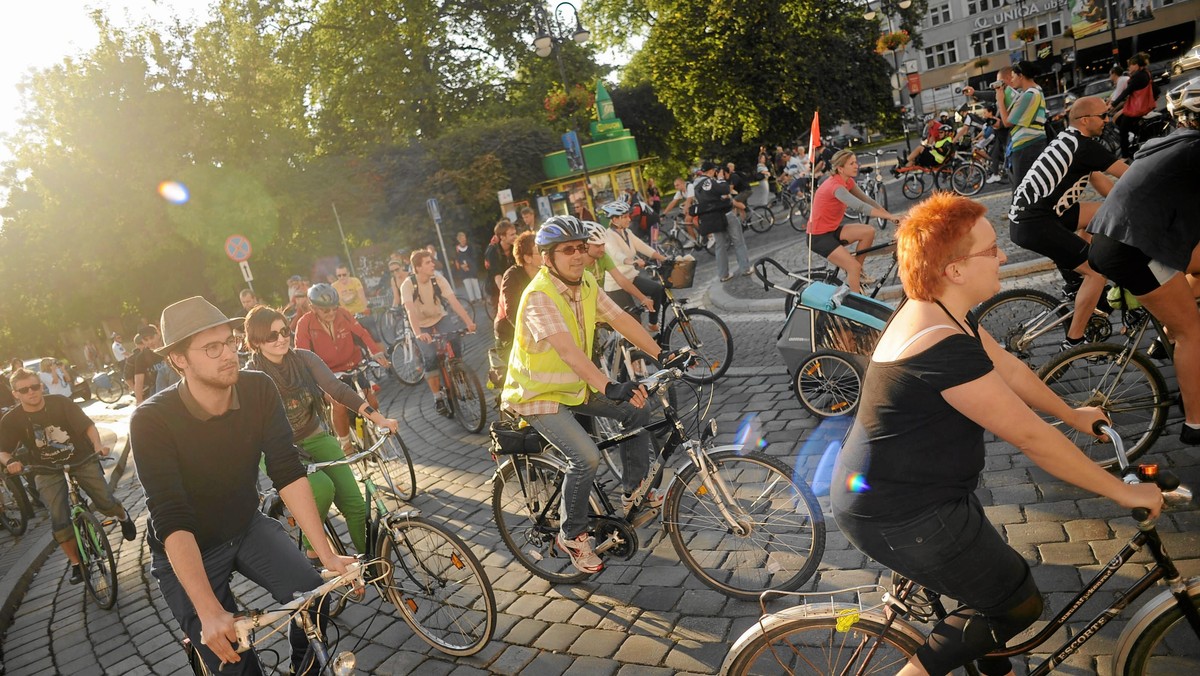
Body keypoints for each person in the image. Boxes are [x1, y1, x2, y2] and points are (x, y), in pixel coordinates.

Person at [831, 192, 1163, 676]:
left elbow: (1006, 367)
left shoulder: (942, 309)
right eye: (991, 250)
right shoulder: (937, 345)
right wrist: (1119, 491)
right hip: (900, 512)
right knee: (1016, 603)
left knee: (986, 594)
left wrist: (1070, 413)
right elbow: (1031, 439)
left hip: (916, 495)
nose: (1004, 256)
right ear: (956, 269)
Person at [129, 297, 355, 674]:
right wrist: (209, 611)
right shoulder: (151, 421)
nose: (228, 354)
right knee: (232, 657)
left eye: (230, 341)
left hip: (246, 526)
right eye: (211, 347)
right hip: (189, 550)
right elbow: (170, 515)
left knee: (311, 596)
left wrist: (327, 553)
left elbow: (287, 470)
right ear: (178, 360)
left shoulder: (258, 388)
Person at [500, 217, 671, 574]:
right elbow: (567, 351)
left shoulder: (587, 283)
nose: (578, 256)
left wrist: (661, 353)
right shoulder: (538, 296)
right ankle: (572, 533)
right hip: (537, 395)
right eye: (568, 250)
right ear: (548, 257)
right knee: (586, 457)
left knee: (638, 410)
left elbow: (621, 318)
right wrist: (609, 385)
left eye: (581, 247)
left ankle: (633, 490)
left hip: (575, 385)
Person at [1087, 83, 1200, 444]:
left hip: (1120, 239)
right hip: (1133, 248)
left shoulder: (1171, 142)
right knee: (1192, 333)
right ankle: (1196, 424)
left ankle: (1164, 339)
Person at [244, 306, 399, 561]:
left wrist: (378, 418)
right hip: (279, 451)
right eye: (272, 336)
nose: (281, 338)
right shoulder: (252, 378)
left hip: (315, 435)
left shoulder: (304, 359)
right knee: (322, 488)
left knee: (357, 506)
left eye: (284, 331)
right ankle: (313, 552)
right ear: (256, 342)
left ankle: (370, 567)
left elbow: (337, 389)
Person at [1008, 95, 1128, 350]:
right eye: (1103, 116)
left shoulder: (1067, 139)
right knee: (1096, 273)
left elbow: (1101, 182)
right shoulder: (1085, 147)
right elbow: (1130, 177)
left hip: (1033, 216)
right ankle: (1074, 342)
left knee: (1102, 213)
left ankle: (1076, 281)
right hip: (1036, 223)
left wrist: (1124, 208)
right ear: (1085, 120)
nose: (1108, 120)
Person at [2, 369, 137, 585]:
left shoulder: (60, 403)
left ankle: (123, 517)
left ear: (41, 386)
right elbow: (3, 450)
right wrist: (11, 462)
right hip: (44, 469)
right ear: (15, 393)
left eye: (35, 387)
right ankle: (76, 563)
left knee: (105, 502)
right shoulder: (13, 419)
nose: (31, 392)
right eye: (24, 390)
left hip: (81, 459)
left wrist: (98, 445)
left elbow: (88, 426)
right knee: (59, 518)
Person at [295, 284, 390, 449]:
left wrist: (376, 352)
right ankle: (346, 445)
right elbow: (302, 356)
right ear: (313, 308)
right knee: (338, 406)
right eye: (326, 310)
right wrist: (314, 383)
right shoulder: (305, 324)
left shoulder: (343, 314)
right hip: (327, 374)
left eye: (334, 308)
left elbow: (362, 333)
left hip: (352, 364)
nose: (332, 313)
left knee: (372, 401)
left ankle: (371, 429)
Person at [807, 150, 901, 293]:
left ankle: (857, 276)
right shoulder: (836, 187)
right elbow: (860, 206)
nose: (856, 166)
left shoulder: (847, 181)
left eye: (856, 162)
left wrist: (890, 215)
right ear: (840, 168)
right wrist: (889, 217)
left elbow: (867, 200)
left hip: (832, 230)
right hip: (818, 237)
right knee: (853, 267)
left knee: (868, 231)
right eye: (851, 163)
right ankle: (857, 304)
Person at [399, 250, 477, 417]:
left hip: (439, 317)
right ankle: (437, 397)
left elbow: (453, 301)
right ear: (417, 267)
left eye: (431, 261)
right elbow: (410, 310)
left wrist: (468, 322)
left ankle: (458, 372)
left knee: (455, 338)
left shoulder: (438, 278)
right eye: (427, 263)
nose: (432, 264)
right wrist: (418, 333)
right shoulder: (407, 284)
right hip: (420, 325)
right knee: (430, 357)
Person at [598, 201, 669, 331]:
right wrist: (633, 262)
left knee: (657, 290)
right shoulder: (608, 236)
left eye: (628, 216)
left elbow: (642, 246)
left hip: (631, 277)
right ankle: (634, 349)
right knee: (634, 321)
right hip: (616, 284)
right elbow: (616, 254)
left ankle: (653, 324)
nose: (629, 219)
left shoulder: (627, 233)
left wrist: (663, 258)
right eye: (624, 217)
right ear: (614, 219)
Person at [692, 161, 752, 283]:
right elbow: (725, 189)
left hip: (712, 218)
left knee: (720, 246)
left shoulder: (696, 185)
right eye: (714, 171)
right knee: (738, 241)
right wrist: (720, 178)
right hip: (725, 214)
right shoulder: (710, 182)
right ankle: (745, 268)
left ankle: (723, 274)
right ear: (711, 171)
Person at [999, 60, 1048, 187]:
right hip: (1033, 144)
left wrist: (1000, 100)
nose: (1012, 79)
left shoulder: (1029, 95)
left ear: (1021, 76)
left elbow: (1007, 122)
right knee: (1032, 187)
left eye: (1013, 76)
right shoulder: (1036, 90)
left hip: (1026, 147)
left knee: (1021, 189)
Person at [964, 66, 1017, 182]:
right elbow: (993, 96)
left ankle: (996, 173)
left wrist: (1002, 124)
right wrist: (975, 92)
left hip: (1016, 140)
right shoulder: (1006, 94)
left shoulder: (1017, 95)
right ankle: (997, 172)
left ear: (1009, 78)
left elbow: (1013, 120)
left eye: (1000, 82)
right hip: (1006, 137)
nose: (998, 86)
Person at [494, 232, 541, 355]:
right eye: (539, 251)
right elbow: (512, 312)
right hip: (508, 333)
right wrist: (534, 334)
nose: (545, 254)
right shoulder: (512, 277)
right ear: (527, 258)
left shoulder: (544, 273)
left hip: (534, 328)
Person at [1109, 52, 1155, 160]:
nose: (1128, 67)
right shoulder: (1145, 73)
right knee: (1121, 120)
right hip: (1140, 105)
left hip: (1137, 108)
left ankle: (1125, 156)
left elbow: (1126, 92)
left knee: (1123, 129)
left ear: (1137, 65)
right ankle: (1138, 135)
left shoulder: (1138, 76)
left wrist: (1113, 105)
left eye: (1130, 64)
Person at [133, 325, 182, 405]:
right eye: (146, 340)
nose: (150, 342)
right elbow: (138, 381)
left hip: (178, 385)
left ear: (158, 335)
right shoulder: (141, 358)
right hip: (157, 391)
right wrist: (139, 402)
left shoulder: (169, 348)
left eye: (151, 338)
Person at [484, 220, 517, 313]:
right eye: (511, 235)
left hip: (512, 285)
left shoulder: (515, 247)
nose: (515, 237)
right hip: (496, 289)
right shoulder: (492, 251)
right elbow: (497, 276)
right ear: (502, 237)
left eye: (515, 233)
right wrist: (506, 294)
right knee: (502, 317)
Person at [453, 231, 483, 304]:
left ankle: (479, 298)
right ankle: (472, 299)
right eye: (462, 239)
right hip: (463, 270)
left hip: (471, 268)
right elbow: (457, 259)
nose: (464, 240)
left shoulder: (470, 247)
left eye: (464, 238)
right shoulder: (457, 249)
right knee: (467, 284)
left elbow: (473, 257)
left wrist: (468, 265)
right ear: (459, 240)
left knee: (474, 283)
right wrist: (462, 266)